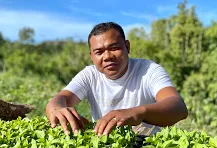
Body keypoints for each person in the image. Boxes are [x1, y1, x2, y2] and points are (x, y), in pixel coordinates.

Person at [46, 22, 188, 136]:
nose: (107, 56)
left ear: (127, 47)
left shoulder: (149, 70)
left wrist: (138, 113)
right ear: (92, 57)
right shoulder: (89, 75)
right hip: (106, 145)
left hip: (148, 146)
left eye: (114, 48)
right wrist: (57, 109)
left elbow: (179, 107)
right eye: (99, 52)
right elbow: (61, 98)